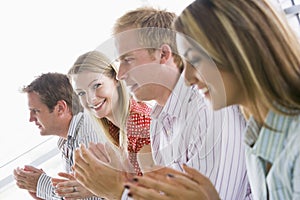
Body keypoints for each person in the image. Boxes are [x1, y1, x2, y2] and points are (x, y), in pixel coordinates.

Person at [124, 0, 300, 199]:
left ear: (238, 49)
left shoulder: (293, 141)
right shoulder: (256, 138)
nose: (188, 79)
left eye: (196, 60)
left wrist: (120, 192)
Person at [109, 6, 251, 200]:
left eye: (128, 60)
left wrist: (118, 192)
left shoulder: (207, 109)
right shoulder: (159, 121)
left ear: (163, 55)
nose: (120, 74)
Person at [66, 50, 152, 200]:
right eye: (81, 93)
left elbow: (156, 195)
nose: (91, 99)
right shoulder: (117, 128)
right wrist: (95, 186)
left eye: (96, 85)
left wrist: (108, 189)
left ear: (116, 78)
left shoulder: (138, 126)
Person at [13, 72, 104, 200]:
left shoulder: (87, 136)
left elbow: (92, 196)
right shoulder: (67, 140)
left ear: (60, 108)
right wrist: (39, 192)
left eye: (36, 111)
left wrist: (41, 185)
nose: (31, 119)